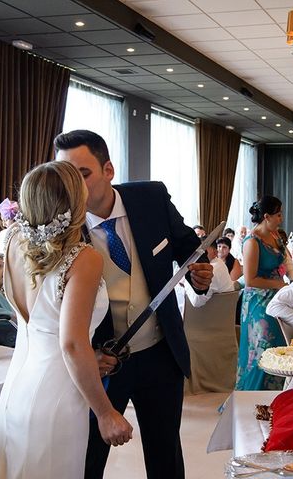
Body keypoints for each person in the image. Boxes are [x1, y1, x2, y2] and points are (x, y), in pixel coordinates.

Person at [54, 129, 213, 479]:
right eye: (66, 177)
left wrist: (197, 272)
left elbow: (187, 245)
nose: (74, 187)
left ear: (108, 169)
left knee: (165, 455)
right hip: (103, 362)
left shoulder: (150, 199)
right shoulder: (61, 228)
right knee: (88, 457)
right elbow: (54, 308)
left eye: (83, 174)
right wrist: (89, 354)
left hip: (160, 351)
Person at [0, 161, 133, 479]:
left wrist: (88, 357)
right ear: (74, 202)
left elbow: (42, 325)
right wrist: (106, 413)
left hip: (17, 389)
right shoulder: (83, 258)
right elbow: (69, 342)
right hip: (57, 398)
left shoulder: (11, 242)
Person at [236, 196, 288, 391]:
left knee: (279, 347)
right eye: (278, 215)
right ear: (266, 216)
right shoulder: (252, 241)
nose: (281, 218)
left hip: (278, 297)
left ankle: (275, 397)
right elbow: (250, 280)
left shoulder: (275, 236)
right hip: (258, 302)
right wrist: (279, 284)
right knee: (261, 348)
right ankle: (251, 395)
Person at [185, 238, 235, 308]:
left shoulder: (213, 268)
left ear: (215, 252)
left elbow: (196, 302)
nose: (198, 253)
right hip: (223, 312)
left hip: (215, 315)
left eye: (203, 250)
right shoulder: (218, 262)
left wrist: (185, 280)